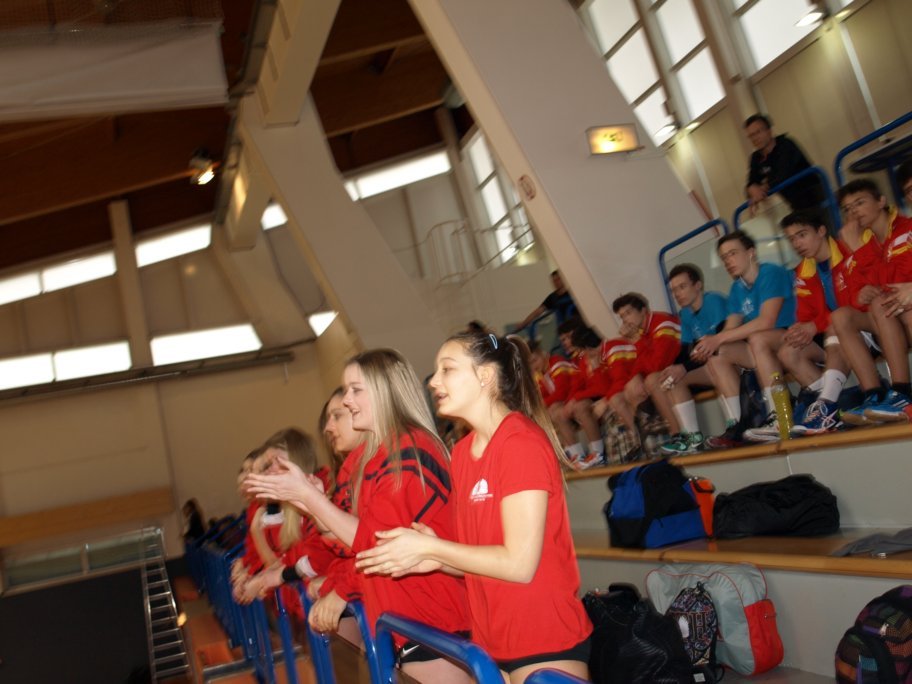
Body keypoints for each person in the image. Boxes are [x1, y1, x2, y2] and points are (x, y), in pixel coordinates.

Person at [355, 332, 592, 684]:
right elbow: (484, 558)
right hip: (490, 642)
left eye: (447, 369)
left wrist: (434, 548)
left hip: (543, 639)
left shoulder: (520, 442)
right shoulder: (463, 453)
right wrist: (438, 559)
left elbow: (519, 564)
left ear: (485, 376)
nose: (433, 381)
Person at [245, 349, 471, 684]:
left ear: (384, 392)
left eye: (355, 390)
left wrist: (309, 498)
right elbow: (351, 545)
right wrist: (312, 502)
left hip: (432, 621)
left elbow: (373, 541)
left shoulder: (410, 449)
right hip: (404, 619)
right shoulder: (380, 455)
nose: (347, 400)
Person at [692, 231, 796, 445]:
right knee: (717, 354)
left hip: (794, 339)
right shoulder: (737, 288)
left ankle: (780, 416)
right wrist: (708, 345)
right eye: (724, 258)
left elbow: (767, 321)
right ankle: (738, 424)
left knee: (757, 338)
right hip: (762, 349)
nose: (728, 261)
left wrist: (718, 338)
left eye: (733, 253)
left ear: (751, 253)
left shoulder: (770, 272)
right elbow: (729, 329)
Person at [831, 179, 912, 424]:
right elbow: (853, 293)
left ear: (881, 201)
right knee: (841, 317)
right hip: (888, 317)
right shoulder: (863, 241)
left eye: (860, 203)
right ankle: (873, 394)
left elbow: (896, 280)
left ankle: (902, 391)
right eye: (847, 208)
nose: (854, 212)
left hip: (904, 311)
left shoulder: (905, 229)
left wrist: (858, 248)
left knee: (881, 303)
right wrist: (862, 294)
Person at [777, 213, 853, 435]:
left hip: (861, 327)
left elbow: (856, 302)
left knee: (836, 322)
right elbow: (805, 315)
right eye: (791, 239)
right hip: (830, 334)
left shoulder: (847, 251)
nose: (796, 244)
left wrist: (814, 325)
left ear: (821, 231)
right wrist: (799, 329)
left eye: (802, 235)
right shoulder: (803, 270)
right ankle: (826, 410)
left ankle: (827, 403)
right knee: (787, 351)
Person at [657, 264, 729, 455]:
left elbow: (721, 344)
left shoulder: (713, 301)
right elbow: (684, 351)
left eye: (682, 287)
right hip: (710, 365)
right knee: (672, 378)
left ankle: (734, 424)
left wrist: (684, 367)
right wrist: (674, 369)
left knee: (715, 361)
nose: (677, 294)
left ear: (698, 285)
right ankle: (692, 437)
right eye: (674, 290)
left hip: (733, 362)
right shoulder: (686, 314)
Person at [612, 293, 682, 440]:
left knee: (652, 380)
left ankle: (677, 434)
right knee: (629, 389)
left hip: (684, 369)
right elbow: (638, 364)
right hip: (668, 373)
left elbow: (659, 365)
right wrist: (636, 377)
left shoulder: (662, 323)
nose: (625, 320)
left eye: (628, 313)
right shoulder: (642, 332)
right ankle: (650, 441)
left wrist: (636, 341)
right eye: (622, 317)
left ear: (643, 310)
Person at [744, 113, 824, 215]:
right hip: (796, 205)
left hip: (818, 198)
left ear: (769, 131)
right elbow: (751, 183)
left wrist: (763, 188)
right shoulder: (756, 158)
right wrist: (751, 189)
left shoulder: (786, 144)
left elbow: (782, 174)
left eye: (758, 132)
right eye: (751, 135)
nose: (755, 138)